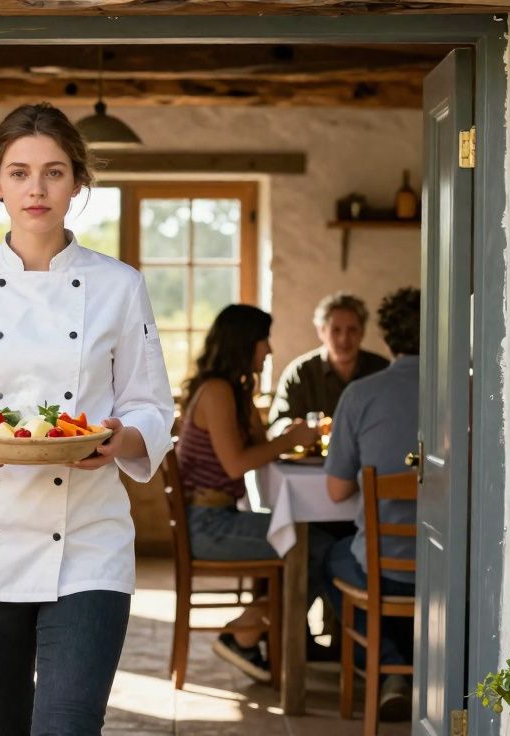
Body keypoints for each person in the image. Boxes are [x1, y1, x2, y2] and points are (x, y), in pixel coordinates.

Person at [0, 102, 175, 735]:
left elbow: (150, 406)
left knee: (69, 726)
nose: (36, 188)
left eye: (53, 172)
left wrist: (119, 438)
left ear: (78, 182)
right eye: (19, 172)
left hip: (88, 540)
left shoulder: (118, 285)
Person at [177, 304, 328, 682]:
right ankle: (244, 633)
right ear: (245, 343)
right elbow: (236, 464)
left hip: (216, 517)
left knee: (312, 540)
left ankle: (258, 629)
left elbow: (257, 449)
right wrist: (288, 441)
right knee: (313, 547)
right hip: (209, 524)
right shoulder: (216, 392)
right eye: (264, 341)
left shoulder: (233, 389)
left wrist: (284, 437)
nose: (270, 350)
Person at [321, 286, 421, 722]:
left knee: (331, 557)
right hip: (455, 573)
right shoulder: (473, 390)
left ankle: (387, 667)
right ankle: (420, 664)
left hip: (388, 571)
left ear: (382, 335)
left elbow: (338, 492)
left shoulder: (361, 395)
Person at [268, 292, 390, 437]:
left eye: (352, 330)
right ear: (321, 332)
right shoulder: (300, 373)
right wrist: (294, 428)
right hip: (314, 457)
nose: (344, 339)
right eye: (336, 330)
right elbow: (277, 425)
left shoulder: (382, 370)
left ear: (362, 332)